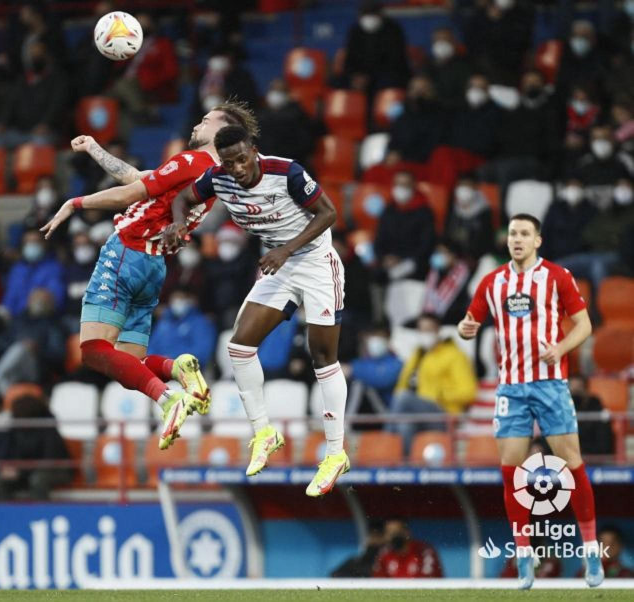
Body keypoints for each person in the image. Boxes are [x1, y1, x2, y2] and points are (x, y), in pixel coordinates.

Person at [40, 103, 258, 449]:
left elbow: (129, 194)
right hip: (154, 266)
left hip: (124, 252)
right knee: (131, 364)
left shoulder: (189, 161)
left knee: (94, 351)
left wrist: (75, 204)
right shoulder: (212, 175)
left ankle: (169, 400)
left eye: (206, 120)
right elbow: (139, 179)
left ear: (221, 131)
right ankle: (177, 369)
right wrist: (96, 149)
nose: (197, 123)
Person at [167, 124, 347, 498]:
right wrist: (179, 223)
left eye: (242, 159)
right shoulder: (218, 178)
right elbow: (182, 198)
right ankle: (264, 432)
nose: (237, 168)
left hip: (313, 261)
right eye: (229, 162)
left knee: (323, 357)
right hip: (277, 265)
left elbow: (328, 214)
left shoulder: (287, 173)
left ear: (254, 151)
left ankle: (335, 454)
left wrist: (286, 249)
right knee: (239, 347)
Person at [458, 213, 603, 590]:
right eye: (512, 234)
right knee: (511, 471)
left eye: (525, 234)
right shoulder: (492, 282)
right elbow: (469, 321)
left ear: (538, 240)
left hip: (551, 385)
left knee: (572, 464)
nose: (517, 239)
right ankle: (525, 557)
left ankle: (590, 550)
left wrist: (560, 348)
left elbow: (584, 324)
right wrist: (465, 328)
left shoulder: (557, 277)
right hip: (511, 388)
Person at [388, 313, 477, 454]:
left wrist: (439, 394)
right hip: (418, 414)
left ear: (438, 331)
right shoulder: (417, 355)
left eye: (428, 330)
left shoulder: (455, 355)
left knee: (403, 398)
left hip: (444, 414)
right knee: (404, 424)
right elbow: (402, 385)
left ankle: (386, 442)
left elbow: (469, 392)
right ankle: (404, 469)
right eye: (421, 330)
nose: (424, 334)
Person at [371, 518, 443, 578]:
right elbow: (378, 581)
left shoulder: (423, 551)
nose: (394, 537)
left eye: (397, 532)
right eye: (390, 533)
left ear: (406, 532)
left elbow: (429, 580)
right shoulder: (384, 554)